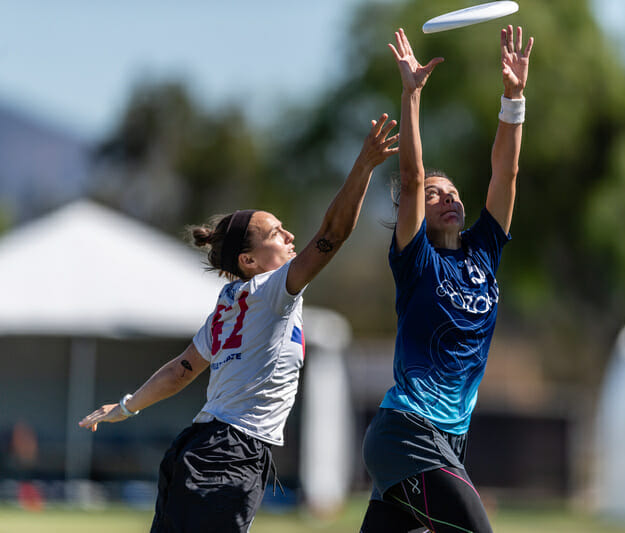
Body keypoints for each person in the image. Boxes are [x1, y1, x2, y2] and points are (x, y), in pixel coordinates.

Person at [79, 114, 398, 533]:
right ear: (248, 261)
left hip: (197, 447)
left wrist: (126, 405)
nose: (288, 237)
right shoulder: (271, 289)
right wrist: (364, 164)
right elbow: (333, 234)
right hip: (230, 453)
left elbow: (181, 370)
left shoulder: (229, 303)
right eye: (275, 233)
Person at [359, 26, 534, 533]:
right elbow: (411, 177)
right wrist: (411, 95)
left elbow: (506, 174)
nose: (450, 198)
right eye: (438, 195)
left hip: (447, 439)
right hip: (408, 432)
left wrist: (513, 98)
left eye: (454, 191)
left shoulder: (485, 250)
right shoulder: (415, 260)